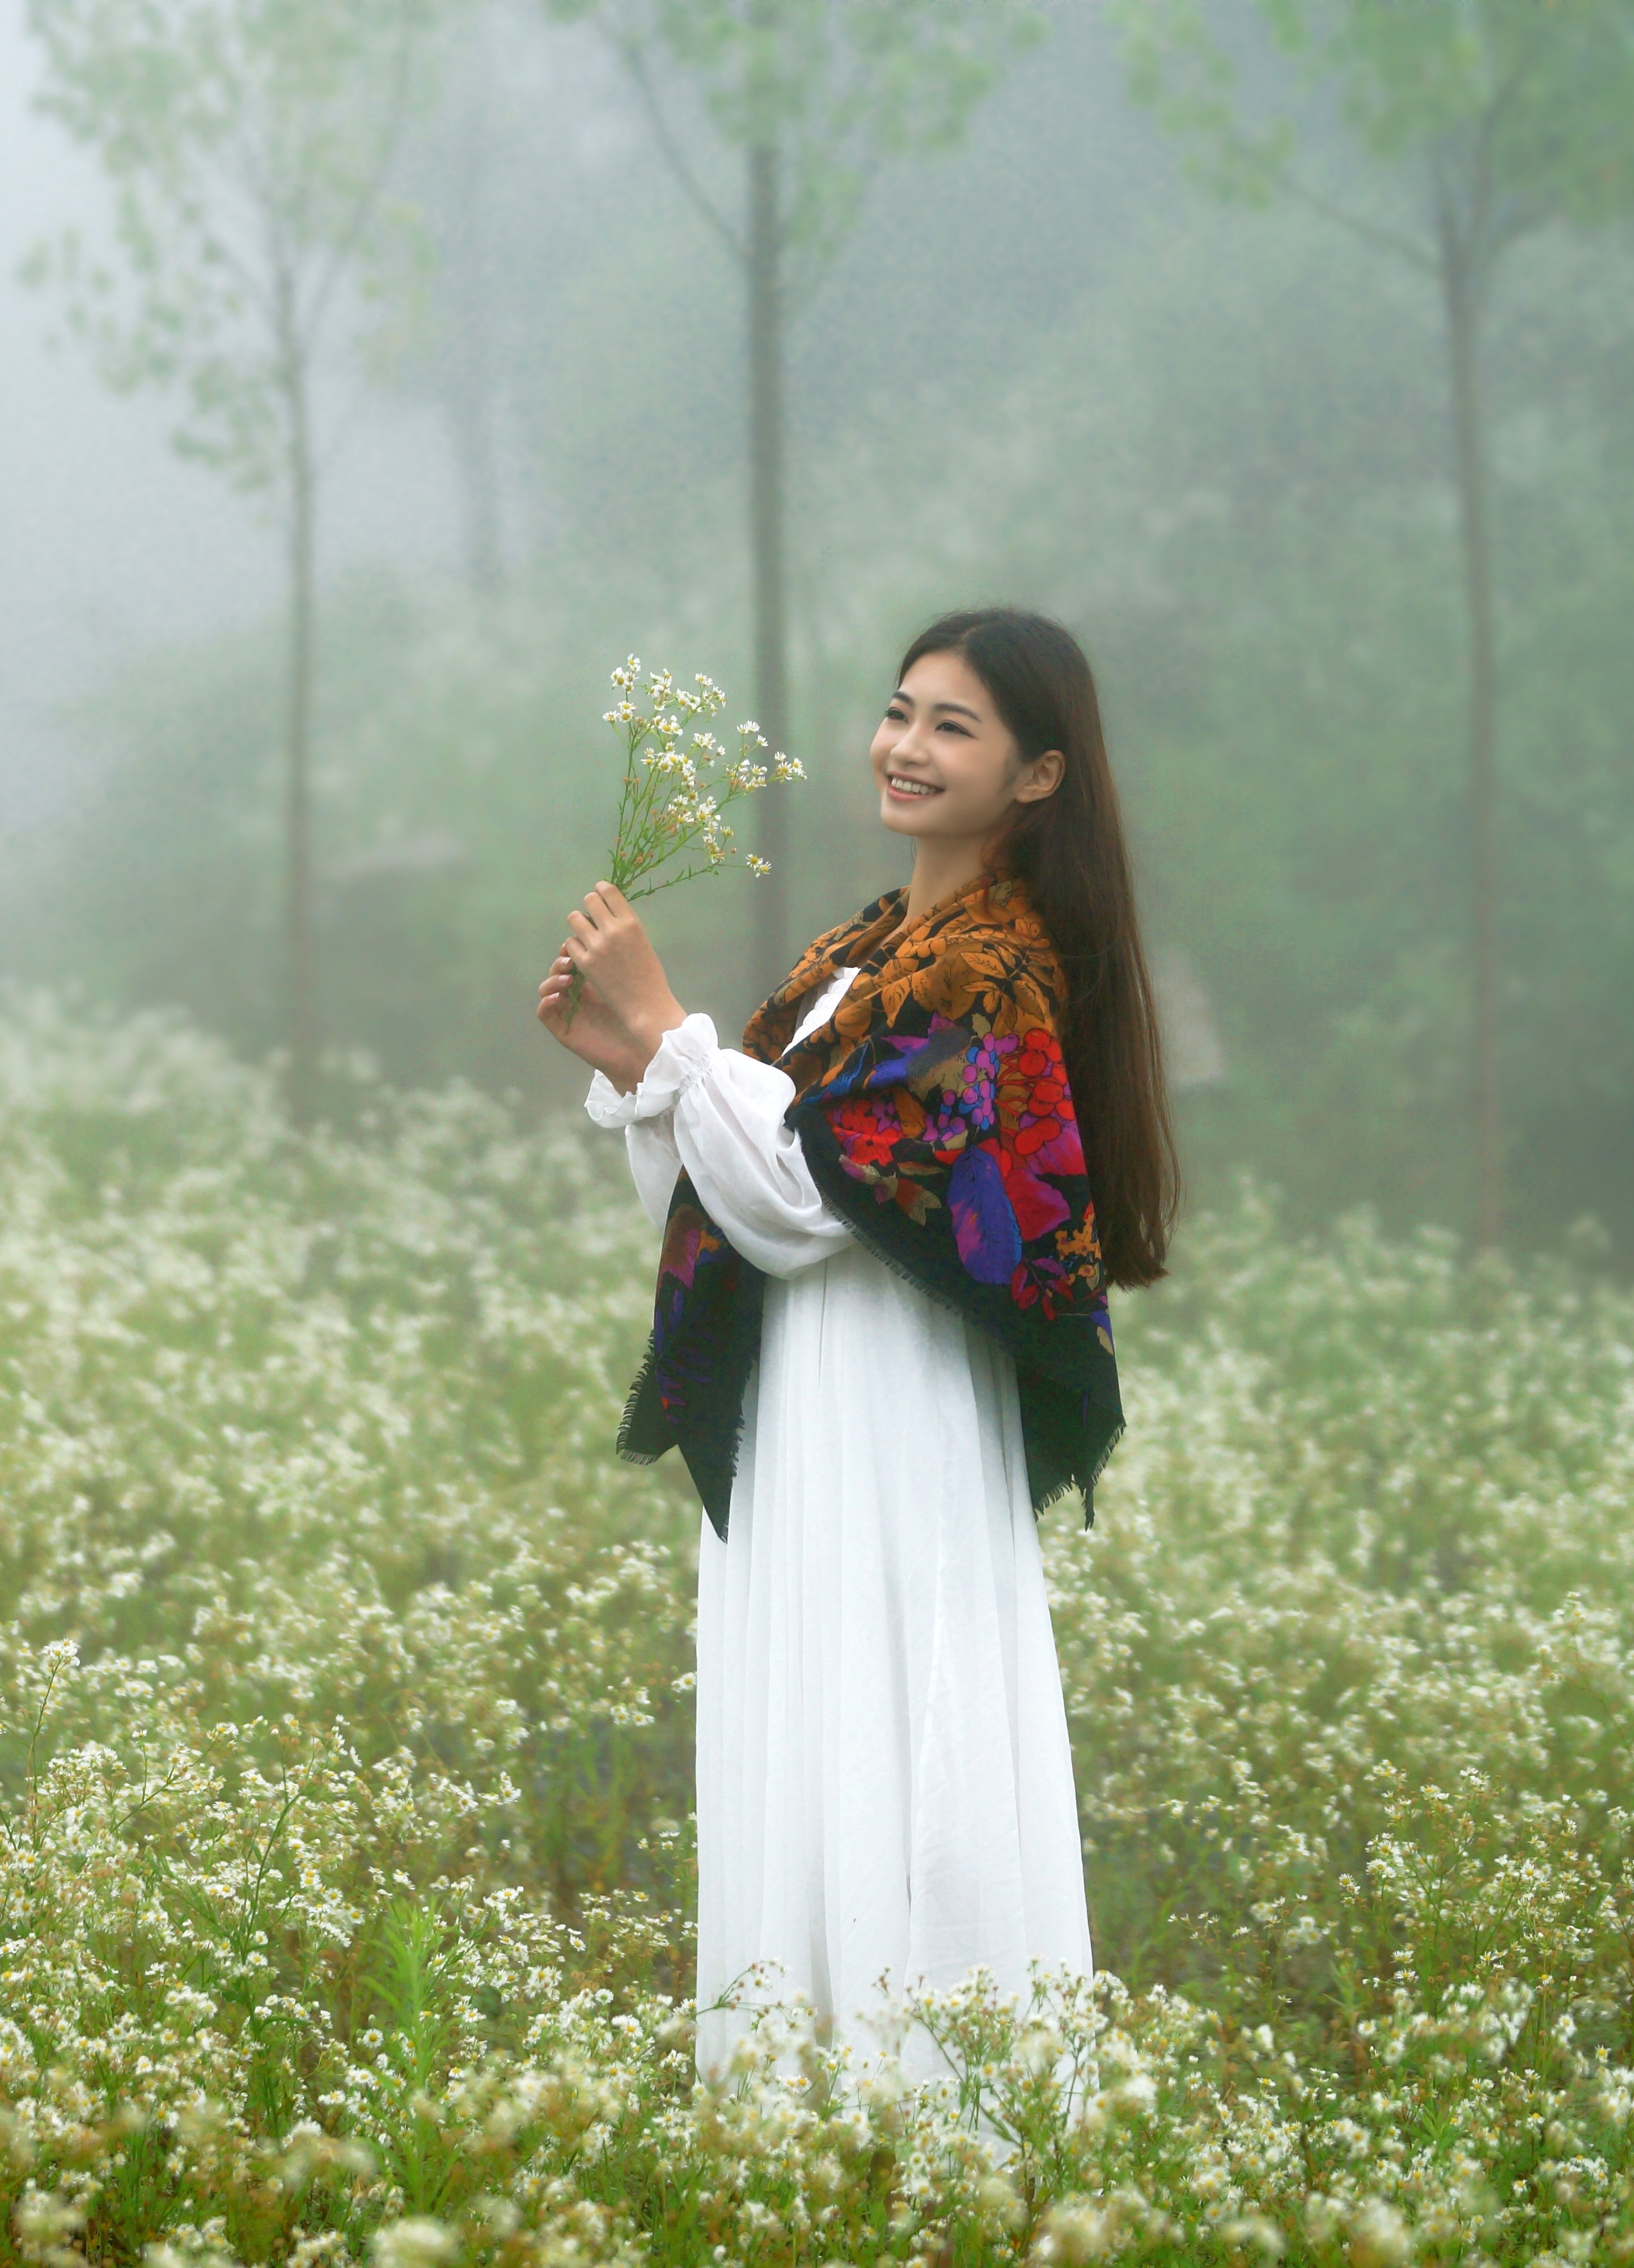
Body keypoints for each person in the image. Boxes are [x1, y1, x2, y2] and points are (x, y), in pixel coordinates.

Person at [534, 606, 1177, 2087]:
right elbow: (740, 1189)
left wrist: (672, 1028)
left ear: (1038, 777)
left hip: (893, 1424)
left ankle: (937, 2117)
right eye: (899, 712)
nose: (905, 746)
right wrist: (642, 1066)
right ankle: (803, 2116)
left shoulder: (997, 976)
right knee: (812, 1730)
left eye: (954, 727)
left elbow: (818, 1195)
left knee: (898, 1730)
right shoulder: (855, 956)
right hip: (804, 1413)